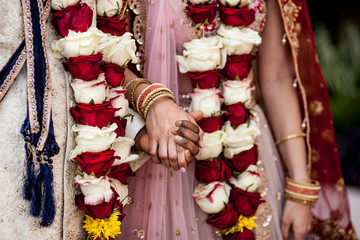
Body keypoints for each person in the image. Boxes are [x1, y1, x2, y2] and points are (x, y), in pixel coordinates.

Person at [0, 0, 356, 240]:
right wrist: (152, 101)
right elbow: (91, 54)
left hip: (241, 158)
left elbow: (276, 79)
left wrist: (300, 187)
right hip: (141, 151)